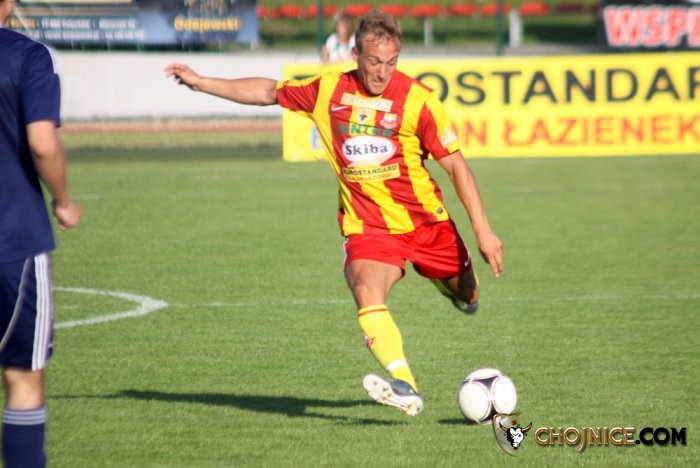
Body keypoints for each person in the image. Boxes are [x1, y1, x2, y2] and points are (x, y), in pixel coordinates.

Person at [164, 9, 503, 416]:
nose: (382, 72)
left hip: (427, 226)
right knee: (365, 291)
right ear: (355, 54)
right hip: (369, 228)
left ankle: (447, 286)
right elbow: (268, 91)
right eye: (374, 62)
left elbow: (457, 167)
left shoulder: (419, 100)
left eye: (391, 62)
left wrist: (483, 231)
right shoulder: (328, 90)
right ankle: (405, 384)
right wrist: (202, 82)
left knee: (469, 295)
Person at [0, 0, 82, 465]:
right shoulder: (28, 55)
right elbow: (42, 142)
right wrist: (63, 200)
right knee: (23, 379)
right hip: (14, 240)